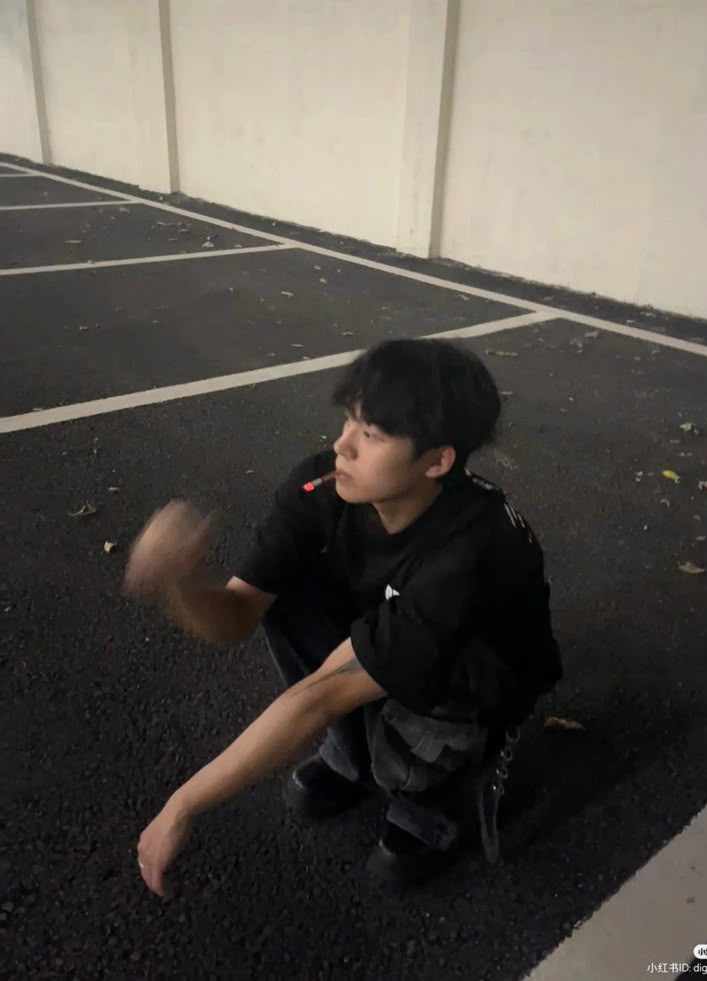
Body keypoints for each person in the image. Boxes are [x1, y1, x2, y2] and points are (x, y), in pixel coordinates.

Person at [126, 337, 561, 897]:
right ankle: (357, 755)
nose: (342, 446)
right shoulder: (322, 487)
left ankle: (436, 792)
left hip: (477, 675)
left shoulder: (470, 553)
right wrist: (179, 584)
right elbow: (236, 616)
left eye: (371, 435)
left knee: (441, 697)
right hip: (388, 632)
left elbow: (321, 695)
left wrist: (182, 804)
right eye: (349, 421)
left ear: (438, 461)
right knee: (292, 591)